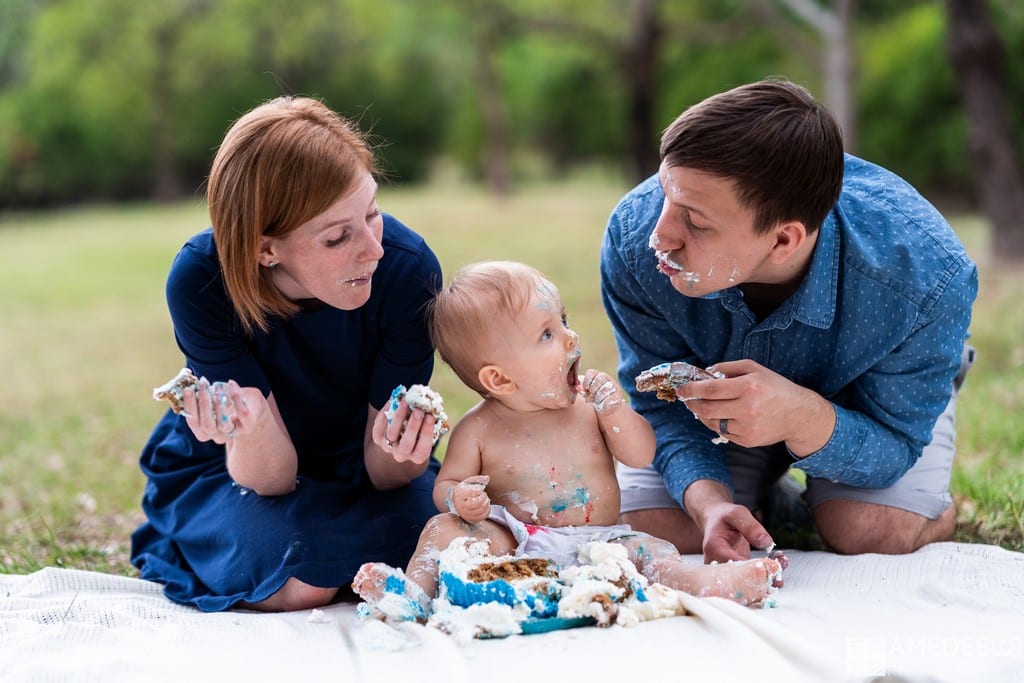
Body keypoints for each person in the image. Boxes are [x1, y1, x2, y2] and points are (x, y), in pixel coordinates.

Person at [600, 78, 978, 565]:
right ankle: (767, 500)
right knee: (659, 525)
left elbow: (896, 439)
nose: (660, 235)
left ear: (783, 241)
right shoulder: (634, 239)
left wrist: (802, 417)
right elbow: (660, 407)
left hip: (870, 397)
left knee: (869, 529)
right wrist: (711, 506)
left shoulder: (926, 276)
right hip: (715, 402)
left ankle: (931, 509)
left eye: (694, 221)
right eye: (664, 194)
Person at [131, 96, 446, 612]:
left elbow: (385, 471)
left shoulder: (408, 272)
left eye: (373, 214)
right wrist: (248, 426)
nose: (374, 249)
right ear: (264, 249)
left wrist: (403, 448)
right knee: (303, 576)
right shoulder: (203, 282)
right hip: (238, 470)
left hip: (357, 463)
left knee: (444, 542)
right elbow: (271, 478)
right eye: (339, 236)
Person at [352, 261, 785, 619]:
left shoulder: (589, 409)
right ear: (498, 378)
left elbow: (640, 454)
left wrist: (616, 413)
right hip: (515, 543)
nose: (569, 337)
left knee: (652, 553)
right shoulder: (477, 428)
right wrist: (459, 499)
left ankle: (711, 583)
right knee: (442, 530)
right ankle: (411, 592)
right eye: (547, 334)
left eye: (563, 321)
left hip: (601, 542)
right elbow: (446, 486)